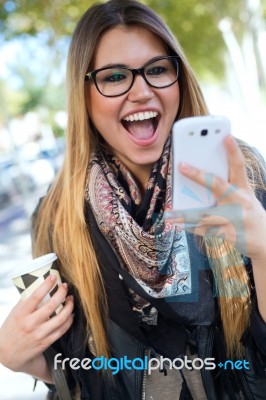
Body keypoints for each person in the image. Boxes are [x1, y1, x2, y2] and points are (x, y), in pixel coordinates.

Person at [0, 0, 266, 399]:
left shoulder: (239, 174)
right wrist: (20, 358)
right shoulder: (57, 216)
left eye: (157, 70)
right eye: (115, 77)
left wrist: (263, 249)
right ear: (84, 93)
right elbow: (86, 376)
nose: (142, 91)